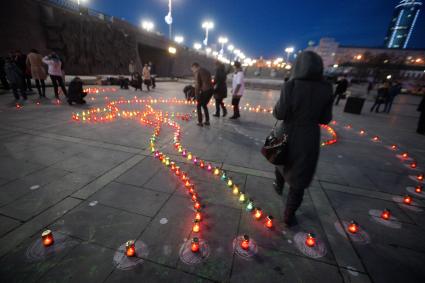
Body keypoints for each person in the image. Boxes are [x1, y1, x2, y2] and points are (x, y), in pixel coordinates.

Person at [272, 51, 333, 227]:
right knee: (300, 174)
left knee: (281, 160)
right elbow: (325, 119)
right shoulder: (326, 88)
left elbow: (279, 113)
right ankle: (289, 214)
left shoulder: (291, 85)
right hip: (308, 137)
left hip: (287, 131)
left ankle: (278, 185)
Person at [191, 62, 213, 126]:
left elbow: (197, 85)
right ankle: (207, 121)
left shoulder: (197, 72)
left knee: (198, 105)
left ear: (195, 67)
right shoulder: (206, 70)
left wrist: (197, 96)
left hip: (206, 90)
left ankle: (200, 122)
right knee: (204, 105)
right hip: (211, 90)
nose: (193, 71)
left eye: (192, 69)